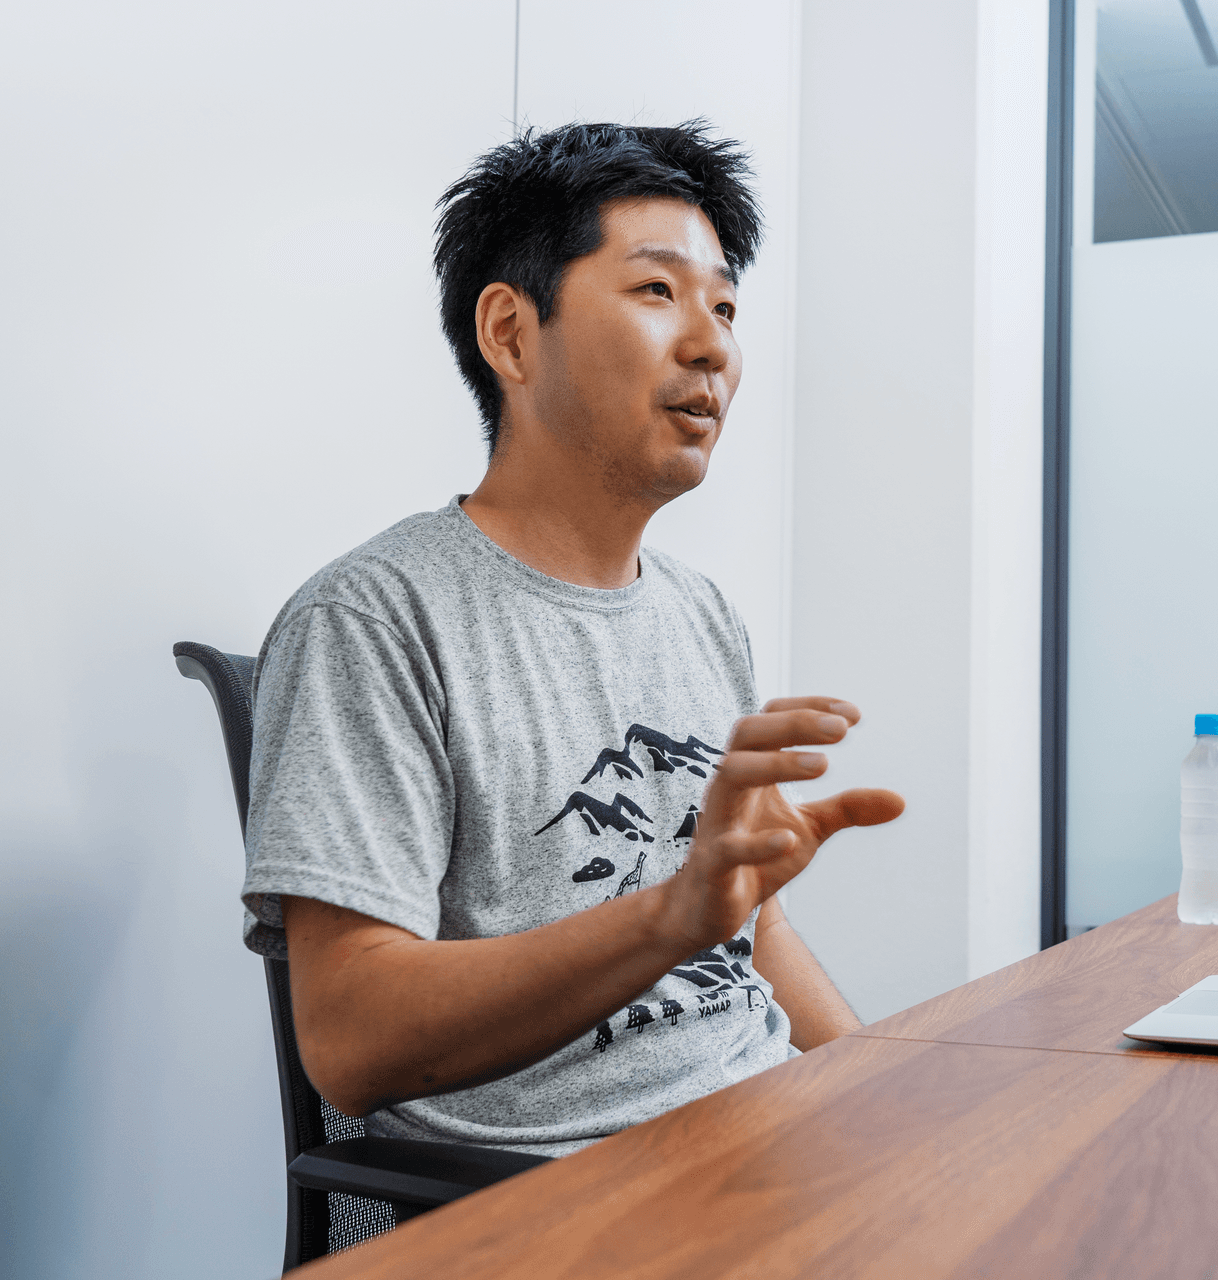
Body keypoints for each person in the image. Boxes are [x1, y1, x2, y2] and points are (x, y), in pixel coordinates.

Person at [240, 120, 905, 1156]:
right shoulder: (373, 618)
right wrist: (673, 912)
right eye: (657, 291)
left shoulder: (701, 612)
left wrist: (888, 1106)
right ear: (510, 333)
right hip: (555, 1199)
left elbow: (744, 924)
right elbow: (351, 1036)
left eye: (725, 305)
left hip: (763, 1146)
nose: (713, 344)